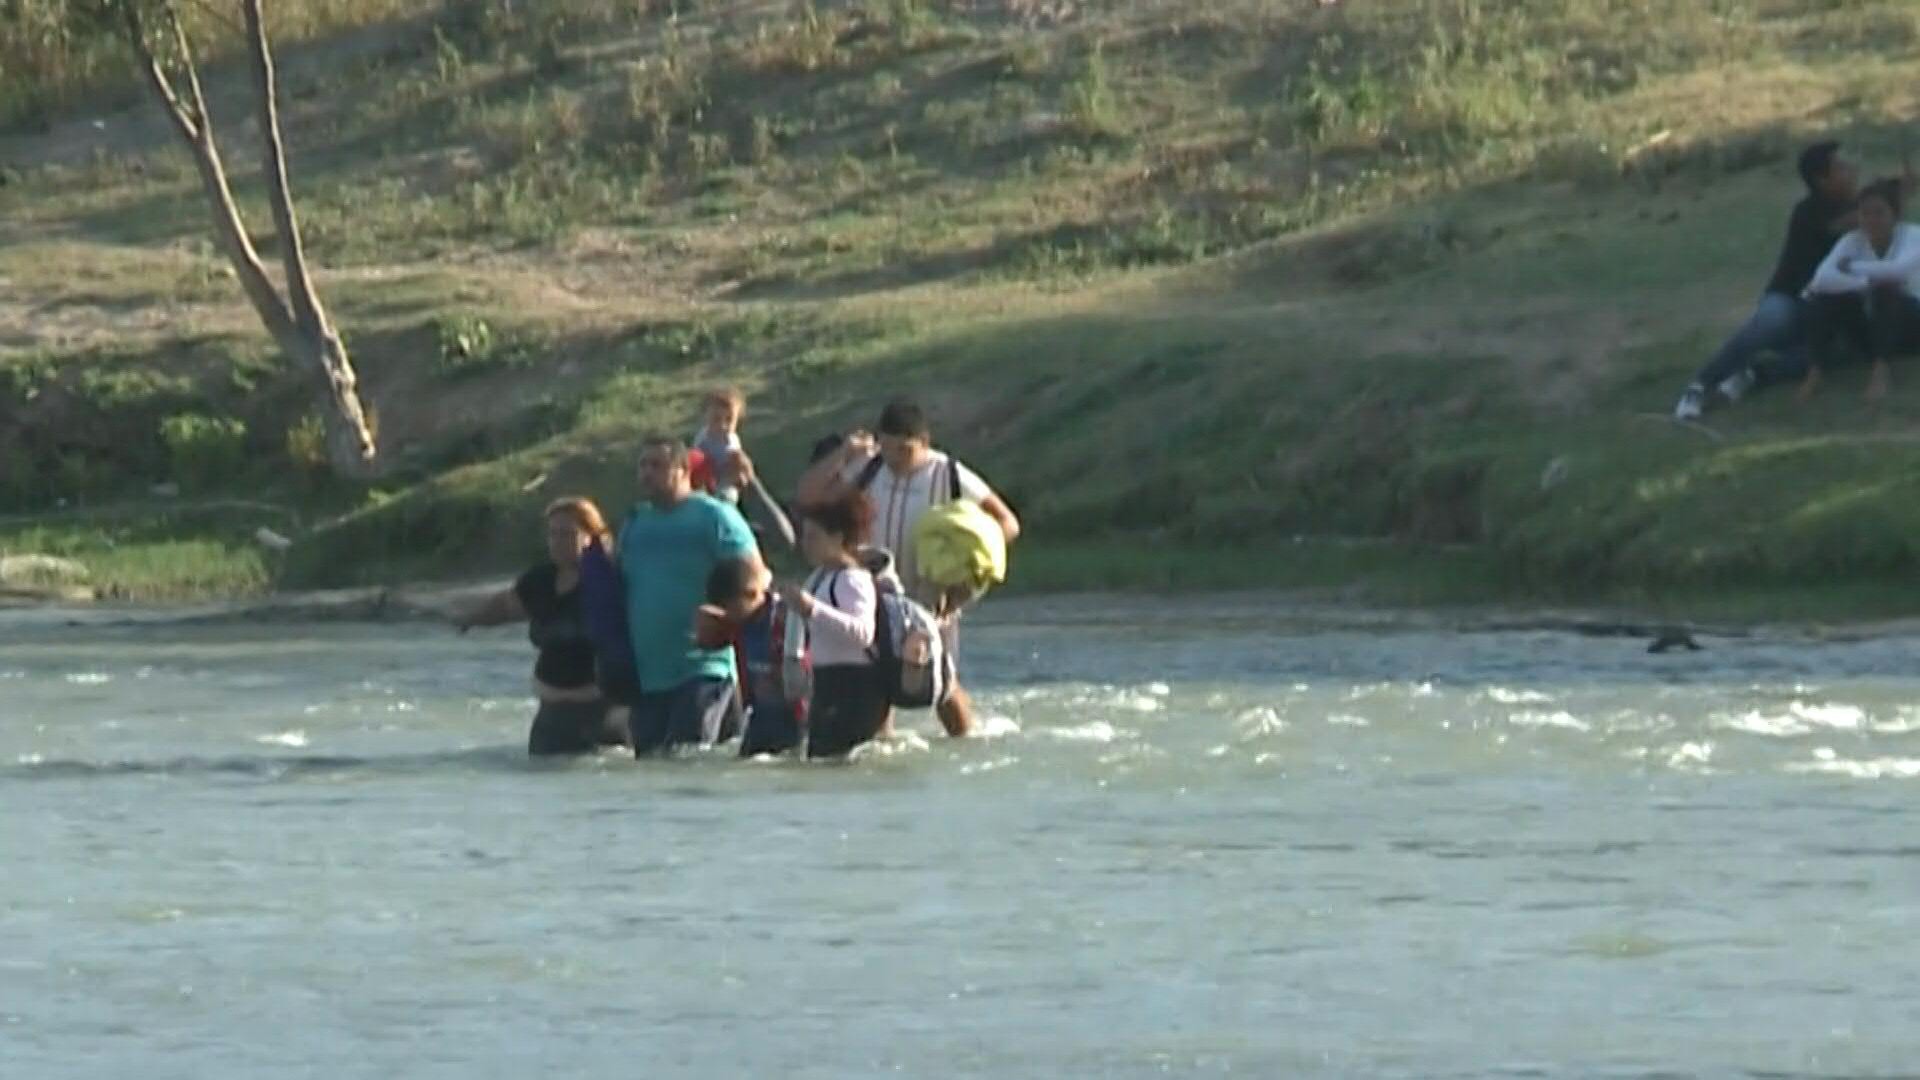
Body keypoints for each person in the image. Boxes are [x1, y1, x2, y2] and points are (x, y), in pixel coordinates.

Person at [796, 399, 1020, 738]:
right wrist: (844, 452)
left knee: (940, 681)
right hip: (874, 595)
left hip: (932, 596)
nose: (894, 458)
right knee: (879, 680)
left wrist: (967, 575)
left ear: (924, 443)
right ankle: (883, 748)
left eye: (904, 449)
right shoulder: (869, 469)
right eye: (886, 448)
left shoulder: (949, 473)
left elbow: (1006, 523)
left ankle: (966, 743)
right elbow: (810, 497)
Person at [1673, 141, 1860, 420]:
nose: (1851, 172)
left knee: (1845, 349)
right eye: (1841, 168)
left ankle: (1756, 374)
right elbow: (1843, 223)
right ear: (1822, 179)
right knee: (1770, 322)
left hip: (1826, 310)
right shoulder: (1809, 211)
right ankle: (1700, 385)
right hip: (1791, 299)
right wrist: (1888, 200)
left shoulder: (1857, 207)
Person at [617, 436, 764, 755]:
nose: (646, 473)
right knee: (651, 769)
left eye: (656, 465)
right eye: (642, 465)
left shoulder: (714, 517)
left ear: (683, 469)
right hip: (649, 675)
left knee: (688, 762)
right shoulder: (635, 522)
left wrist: (727, 621)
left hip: (702, 668)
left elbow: (756, 579)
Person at [452, 498, 629, 756]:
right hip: (550, 715)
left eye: (568, 534)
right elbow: (506, 606)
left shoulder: (610, 580)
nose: (558, 542)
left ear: (592, 536)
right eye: (553, 534)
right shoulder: (541, 580)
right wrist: (470, 619)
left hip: (602, 713)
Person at [779, 494, 891, 759]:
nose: (805, 545)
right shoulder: (821, 577)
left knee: (836, 761)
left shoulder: (852, 579)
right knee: (820, 760)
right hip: (828, 682)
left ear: (838, 538)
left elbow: (863, 633)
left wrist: (812, 609)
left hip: (855, 685)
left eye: (813, 537)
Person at [1799, 177, 1920, 402]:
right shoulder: (1852, 241)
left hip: (1912, 322)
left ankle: (1881, 370)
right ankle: (1815, 370)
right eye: (1865, 213)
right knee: (1821, 298)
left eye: (1879, 212)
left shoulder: (1913, 236)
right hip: (1874, 324)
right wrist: (1864, 283)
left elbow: (1898, 271)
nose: (1872, 220)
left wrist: (1852, 268)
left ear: (1895, 214)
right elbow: (1821, 279)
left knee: (1887, 291)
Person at [698, 557, 806, 757]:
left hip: (791, 715)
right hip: (759, 714)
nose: (729, 615)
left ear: (752, 594)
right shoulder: (738, 623)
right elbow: (708, 641)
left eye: (732, 608)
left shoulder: (786, 618)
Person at [692, 387, 747, 505]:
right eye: (716, 419)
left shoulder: (731, 442)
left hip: (725, 481)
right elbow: (697, 458)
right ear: (705, 417)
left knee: (728, 495)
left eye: (729, 420)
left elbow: (736, 467)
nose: (722, 425)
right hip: (705, 478)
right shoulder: (703, 437)